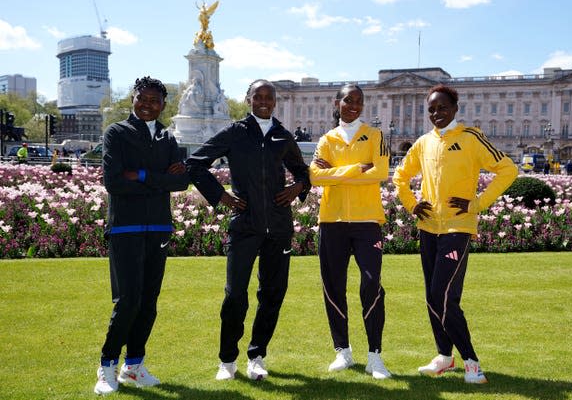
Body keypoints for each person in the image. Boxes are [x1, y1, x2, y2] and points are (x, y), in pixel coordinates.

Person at [186, 79, 310, 381]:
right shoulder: (235, 133)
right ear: (248, 99)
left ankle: (257, 355)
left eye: (269, 97)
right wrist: (223, 197)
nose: (264, 101)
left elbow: (303, 172)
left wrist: (297, 187)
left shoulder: (283, 135)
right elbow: (195, 164)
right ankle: (227, 360)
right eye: (258, 97)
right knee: (235, 295)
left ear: (276, 101)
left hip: (279, 227)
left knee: (272, 294)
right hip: (245, 226)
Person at [393, 84, 517, 384]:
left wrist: (477, 203)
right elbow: (400, 176)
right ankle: (444, 356)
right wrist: (411, 203)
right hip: (428, 228)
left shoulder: (471, 138)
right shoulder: (423, 143)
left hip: (457, 229)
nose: (437, 113)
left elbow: (508, 169)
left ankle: (471, 362)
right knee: (432, 296)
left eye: (442, 107)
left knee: (443, 295)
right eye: (432, 109)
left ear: (455, 109)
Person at [94, 76, 190, 395]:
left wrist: (144, 175)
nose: (147, 105)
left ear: (164, 105)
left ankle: (132, 366)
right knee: (128, 301)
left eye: (154, 101)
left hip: (159, 227)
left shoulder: (168, 137)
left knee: (148, 303)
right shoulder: (117, 133)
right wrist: (162, 178)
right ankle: (106, 366)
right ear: (132, 99)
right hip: (125, 227)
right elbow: (114, 182)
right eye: (142, 98)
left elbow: (181, 183)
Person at [309, 84, 392, 379]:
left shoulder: (376, 135)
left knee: (372, 284)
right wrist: (357, 169)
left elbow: (381, 173)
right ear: (338, 102)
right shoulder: (326, 139)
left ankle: (375, 355)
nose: (353, 105)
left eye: (358, 101)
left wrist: (336, 174)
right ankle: (342, 351)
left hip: (368, 221)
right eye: (348, 100)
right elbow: (315, 177)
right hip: (332, 221)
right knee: (333, 286)